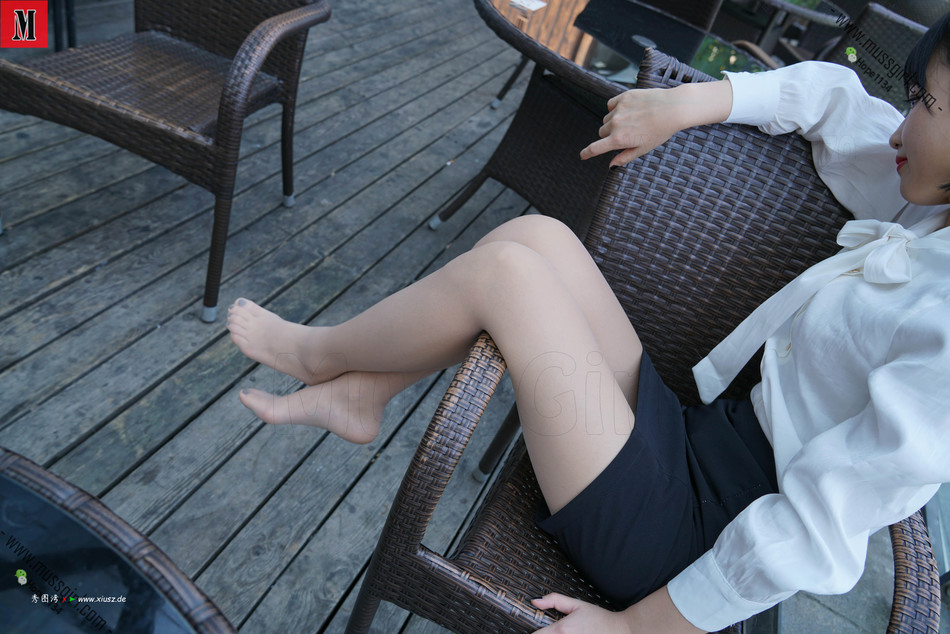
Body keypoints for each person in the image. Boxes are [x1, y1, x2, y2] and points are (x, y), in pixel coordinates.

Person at [227, 15, 950, 634]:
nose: (904, 121)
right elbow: (834, 99)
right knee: (537, 239)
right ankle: (365, 393)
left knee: (504, 276)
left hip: (688, 541)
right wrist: (686, 104)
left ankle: (319, 355)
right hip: (699, 442)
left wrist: (637, 628)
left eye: (925, 103)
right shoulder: (932, 212)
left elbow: (821, 526)